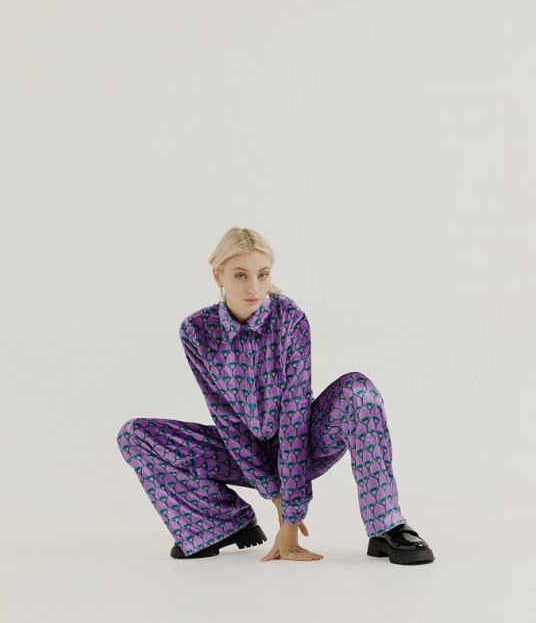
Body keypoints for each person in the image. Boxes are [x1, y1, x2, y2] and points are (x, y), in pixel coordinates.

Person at [116, 227, 434, 565]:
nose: (254, 287)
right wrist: (272, 492)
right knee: (135, 435)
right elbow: (226, 420)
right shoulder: (196, 331)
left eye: (262, 275)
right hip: (243, 453)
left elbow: (295, 417)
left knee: (360, 393)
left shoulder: (289, 320)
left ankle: (387, 525)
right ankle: (220, 524)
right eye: (241, 275)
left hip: (306, 444)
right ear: (218, 276)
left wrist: (290, 517)